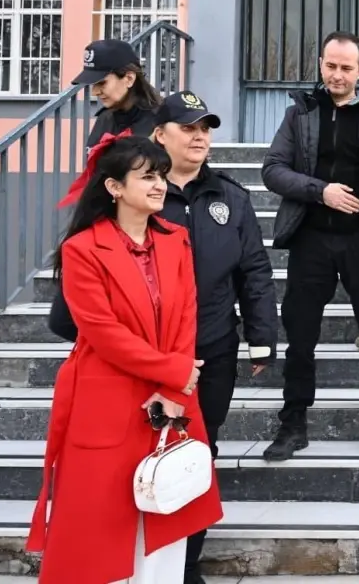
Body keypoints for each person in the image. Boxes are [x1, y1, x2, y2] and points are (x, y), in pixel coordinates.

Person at [27, 135, 222, 584]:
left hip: (171, 399)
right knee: (100, 528)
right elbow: (102, 332)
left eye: (161, 175)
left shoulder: (176, 240)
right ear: (114, 187)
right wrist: (173, 372)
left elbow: (187, 316)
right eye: (147, 176)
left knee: (166, 516)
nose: (159, 185)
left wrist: (174, 386)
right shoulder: (82, 249)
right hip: (106, 398)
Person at [261, 31, 359, 463]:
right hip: (312, 238)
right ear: (321, 64)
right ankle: (293, 424)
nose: (338, 75)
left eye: (347, 68)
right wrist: (319, 191)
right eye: (331, 66)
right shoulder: (300, 114)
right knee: (301, 337)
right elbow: (273, 170)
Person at [151, 91, 280, 583]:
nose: (200, 136)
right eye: (188, 127)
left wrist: (263, 336)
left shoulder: (230, 196)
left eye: (205, 127)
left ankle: (185, 563)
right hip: (154, 351)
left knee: (199, 451)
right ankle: (147, 557)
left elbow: (254, 272)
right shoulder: (144, 192)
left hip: (213, 347)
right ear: (160, 135)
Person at [71, 38, 164, 150]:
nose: (95, 92)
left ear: (129, 79)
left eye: (102, 83)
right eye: (93, 85)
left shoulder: (161, 121)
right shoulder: (105, 118)